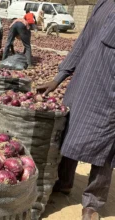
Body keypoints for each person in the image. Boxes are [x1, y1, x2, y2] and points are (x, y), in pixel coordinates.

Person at [37, 0, 114, 219]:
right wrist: (59, 78)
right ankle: (64, 181)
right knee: (70, 132)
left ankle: (93, 202)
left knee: (105, 147)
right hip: (82, 83)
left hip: (110, 93)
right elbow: (83, 41)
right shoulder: (105, 3)